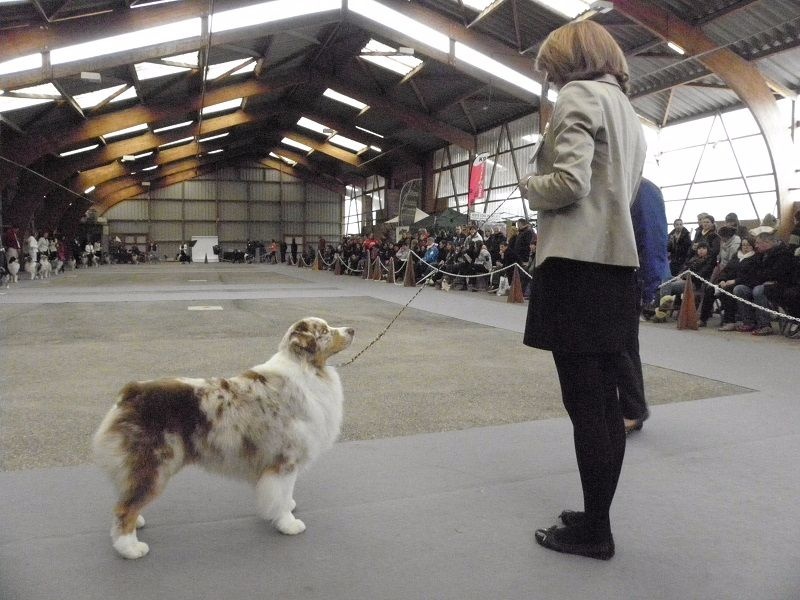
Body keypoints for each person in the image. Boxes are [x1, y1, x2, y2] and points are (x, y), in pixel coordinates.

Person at [519, 20, 646, 560]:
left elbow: (569, 184)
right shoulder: (629, 111)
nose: (548, 74)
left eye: (550, 64)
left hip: (576, 267)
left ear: (567, 61)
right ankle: (596, 516)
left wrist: (529, 186)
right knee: (606, 404)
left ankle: (596, 533)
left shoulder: (577, 95)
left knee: (586, 408)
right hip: (616, 268)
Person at [621, 178, 669, 433]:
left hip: (630, 274)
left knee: (623, 346)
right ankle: (631, 407)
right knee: (621, 345)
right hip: (613, 272)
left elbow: (653, 237)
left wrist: (650, 284)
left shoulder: (644, 188)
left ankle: (633, 409)